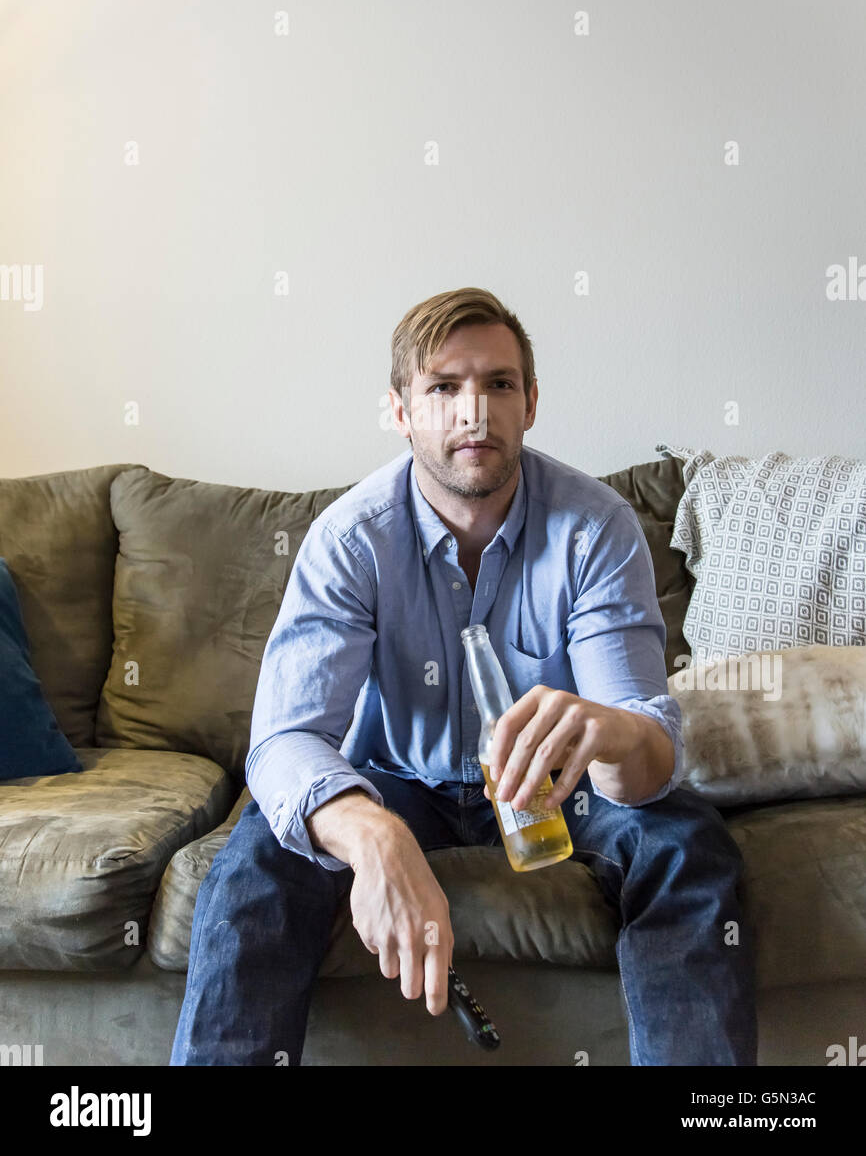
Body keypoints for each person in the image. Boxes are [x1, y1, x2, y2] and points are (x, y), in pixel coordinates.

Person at [170, 286, 757, 1066]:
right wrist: (373, 834)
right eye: (444, 388)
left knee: (688, 845)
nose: (473, 411)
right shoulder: (350, 540)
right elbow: (284, 743)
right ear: (401, 411)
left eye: (498, 384)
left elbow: (645, 752)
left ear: (532, 402)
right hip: (394, 777)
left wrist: (613, 732)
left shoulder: (596, 527)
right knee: (254, 861)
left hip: (564, 784)